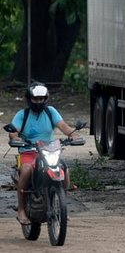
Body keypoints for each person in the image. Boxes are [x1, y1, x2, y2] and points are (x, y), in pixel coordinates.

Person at [8, 83, 84, 225]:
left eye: (41, 99)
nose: (39, 102)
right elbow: (13, 132)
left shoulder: (51, 112)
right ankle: (21, 210)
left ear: (46, 99)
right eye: (35, 99)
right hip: (29, 151)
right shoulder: (22, 115)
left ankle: (62, 206)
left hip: (49, 150)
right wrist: (16, 138)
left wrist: (75, 136)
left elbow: (64, 126)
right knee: (26, 170)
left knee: (64, 170)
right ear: (29, 99)